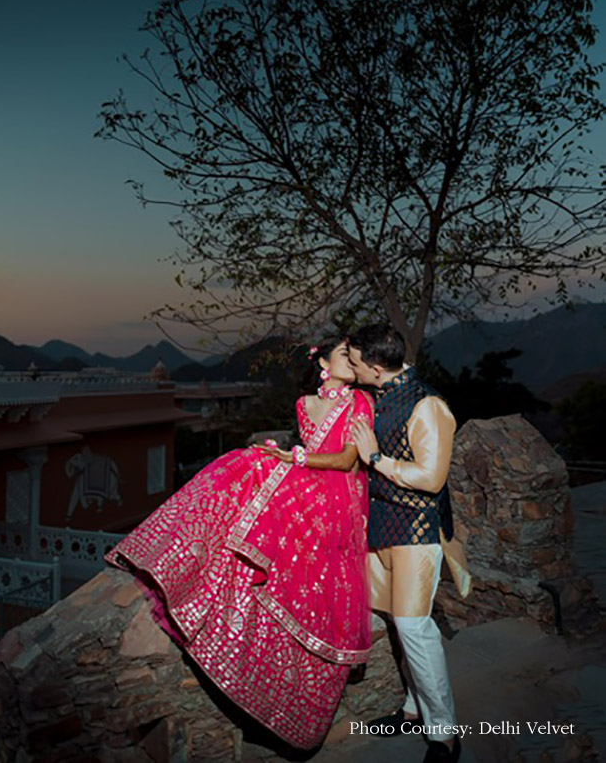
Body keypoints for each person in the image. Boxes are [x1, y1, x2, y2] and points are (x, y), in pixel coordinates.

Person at [105, 337, 374, 750]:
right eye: (345, 355)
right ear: (323, 363)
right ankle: (178, 556)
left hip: (339, 501)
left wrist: (294, 459)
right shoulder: (305, 405)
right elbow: (307, 453)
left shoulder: (360, 402)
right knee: (247, 461)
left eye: (355, 357)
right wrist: (291, 458)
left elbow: (347, 461)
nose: (354, 362)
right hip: (312, 487)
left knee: (250, 465)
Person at [348, 324, 471, 763]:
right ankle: (414, 709)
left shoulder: (429, 405)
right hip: (382, 526)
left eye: (357, 360)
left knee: (416, 628)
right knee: (400, 626)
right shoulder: (381, 395)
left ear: (376, 366)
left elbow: (431, 477)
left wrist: (376, 458)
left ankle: (445, 735)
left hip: (417, 529)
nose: (353, 367)